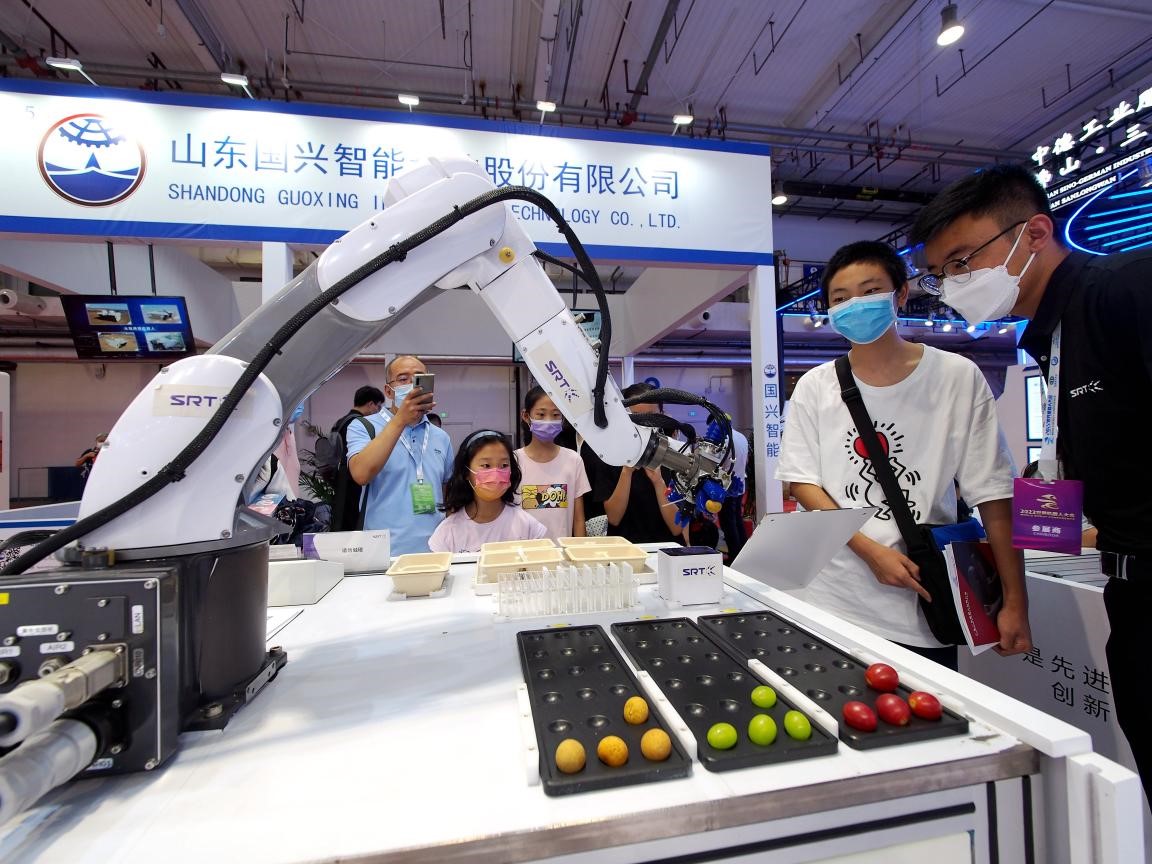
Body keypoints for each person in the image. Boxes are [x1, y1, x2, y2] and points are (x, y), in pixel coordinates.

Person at [912, 164, 1151, 794]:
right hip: (1130, 594)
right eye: (941, 272)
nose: (953, 283)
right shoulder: (1051, 337)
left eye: (963, 260)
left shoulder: (1124, 289)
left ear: (1035, 233)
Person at [777, 240, 1031, 671]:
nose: (855, 305)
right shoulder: (815, 386)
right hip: (831, 597)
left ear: (900, 294)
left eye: (870, 291)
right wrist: (869, 551)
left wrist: (1015, 600)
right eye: (840, 298)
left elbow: (993, 493)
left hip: (924, 599)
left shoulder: (956, 377)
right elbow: (802, 482)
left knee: (927, 707)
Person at [347, 356, 453, 556]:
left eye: (419, 379)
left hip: (435, 551)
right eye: (403, 379)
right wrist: (400, 420)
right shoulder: (364, 426)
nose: (412, 385)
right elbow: (360, 474)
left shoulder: (441, 437)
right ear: (388, 391)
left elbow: (448, 491)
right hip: (384, 552)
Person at [583, 382, 681, 544]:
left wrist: (659, 483)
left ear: (661, 415)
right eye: (636, 416)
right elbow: (614, 518)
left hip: (665, 549)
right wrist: (626, 472)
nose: (644, 423)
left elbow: (677, 527)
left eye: (651, 416)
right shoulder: (609, 456)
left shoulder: (674, 455)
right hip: (624, 549)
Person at [429, 429, 548, 553]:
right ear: (466, 472)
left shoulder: (527, 526)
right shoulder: (448, 532)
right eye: (486, 465)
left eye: (504, 465)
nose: (496, 473)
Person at [514, 386, 591, 540]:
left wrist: (580, 550)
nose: (548, 421)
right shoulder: (514, 461)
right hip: (524, 552)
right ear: (526, 416)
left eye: (555, 415)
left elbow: (578, 519)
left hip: (562, 552)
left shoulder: (573, 460)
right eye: (541, 414)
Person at [329, 386, 385, 532]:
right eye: (378, 407)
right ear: (371, 404)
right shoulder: (360, 424)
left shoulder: (340, 422)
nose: (378, 411)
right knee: (353, 524)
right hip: (354, 482)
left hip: (339, 479)